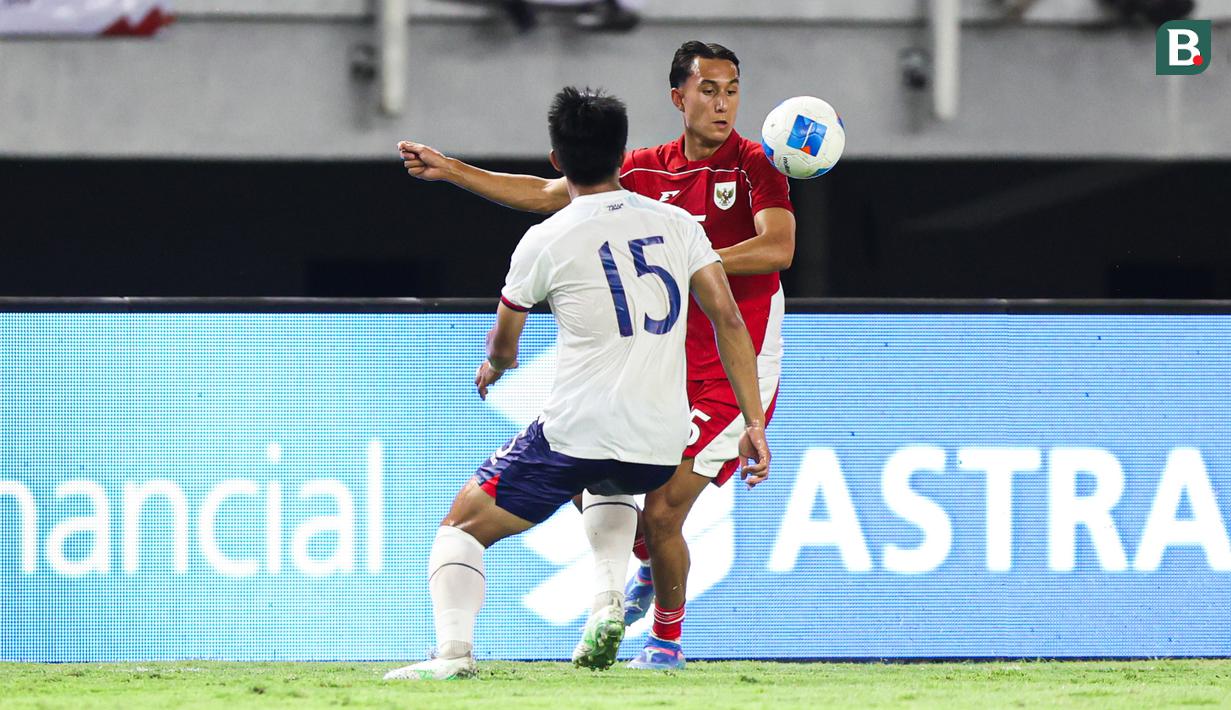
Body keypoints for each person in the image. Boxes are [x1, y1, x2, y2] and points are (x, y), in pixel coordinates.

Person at [397, 40, 794, 670]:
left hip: (731, 365)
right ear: (679, 98)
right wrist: (453, 169)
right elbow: (547, 192)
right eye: (709, 90)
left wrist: (693, 261)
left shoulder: (754, 166)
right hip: (667, 372)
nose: (723, 103)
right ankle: (621, 589)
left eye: (732, 90)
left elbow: (779, 250)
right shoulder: (648, 178)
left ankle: (662, 642)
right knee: (623, 494)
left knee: (657, 513)